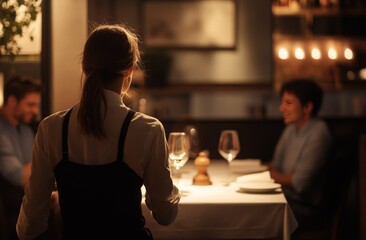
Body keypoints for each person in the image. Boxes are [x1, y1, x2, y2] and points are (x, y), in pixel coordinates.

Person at [16, 24, 181, 240]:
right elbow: (165, 215)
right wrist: (171, 192)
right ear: (130, 69)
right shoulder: (148, 129)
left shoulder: (51, 128)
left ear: (84, 67)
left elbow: (28, 229)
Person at [268, 79, 332, 230]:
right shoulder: (291, 128)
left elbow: (299, 183)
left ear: (308, 107)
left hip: (304, 210)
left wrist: (264, 174)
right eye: (282, 102)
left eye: (288, 103)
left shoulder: (318, 133)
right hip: (286, 199)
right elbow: (274, 166)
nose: (281, 108)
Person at [0, 76, 41, 240]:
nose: (35, 111)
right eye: (30, 105)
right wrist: (40, 164)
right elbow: (20, 176)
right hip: (10, 214)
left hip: (28, 207)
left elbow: (34, 171)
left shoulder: (25, 130)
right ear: (11, 101)